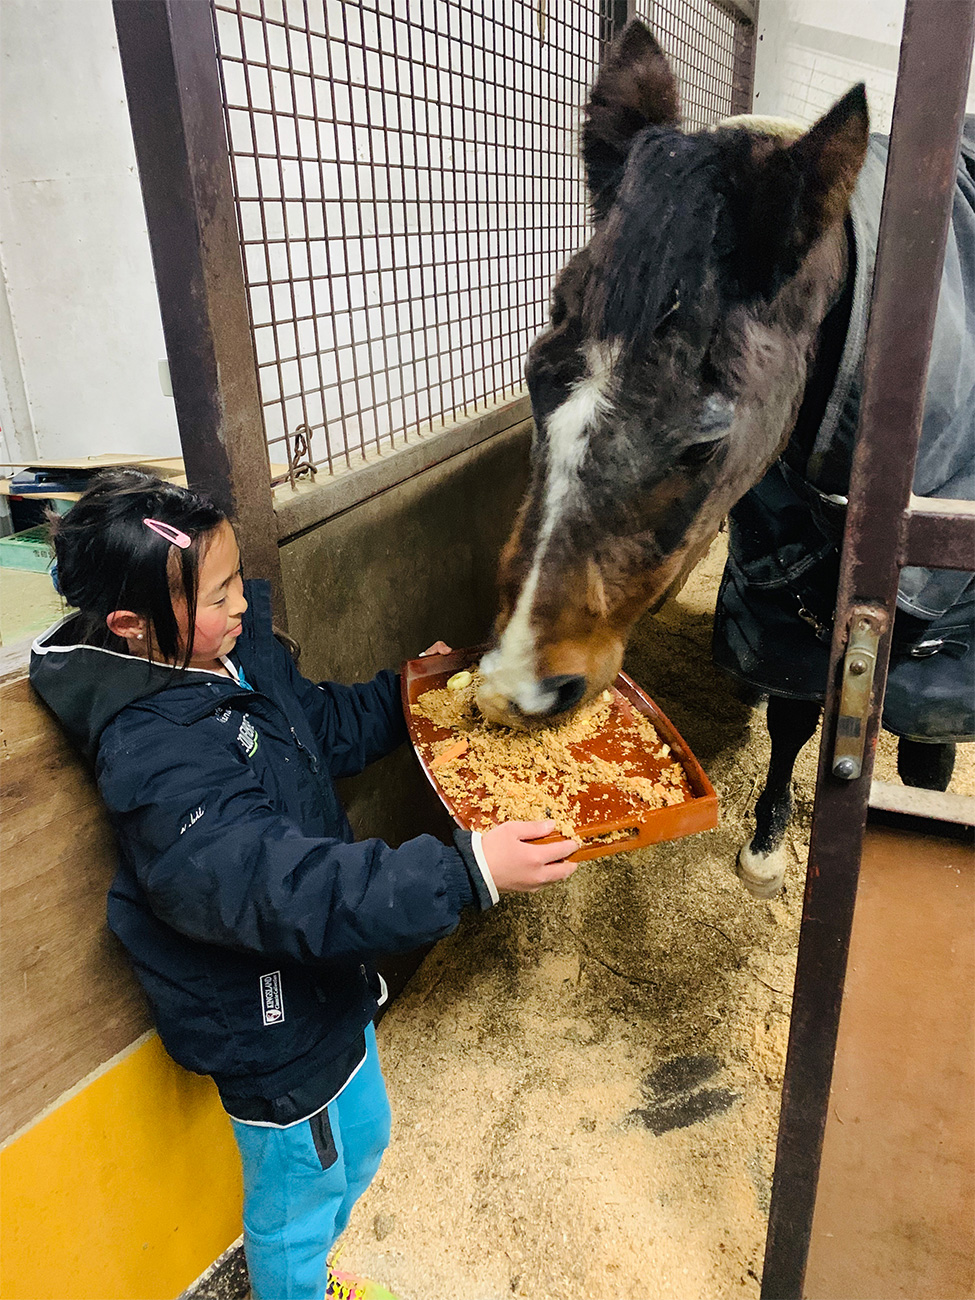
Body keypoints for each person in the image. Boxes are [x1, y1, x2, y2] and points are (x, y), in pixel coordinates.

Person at [30, 469, 579, 1300]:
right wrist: (463, 870)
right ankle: (296, 1287)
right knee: (298, 1197)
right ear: (131, 625)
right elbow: (270, 883)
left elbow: (315, 726)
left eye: (234, 580)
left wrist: (404, 697)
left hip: (321, 978)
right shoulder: (153, 753)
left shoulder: (226, 655)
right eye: (219, 595)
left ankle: (315, 1277)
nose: (242, 606)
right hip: (263, 1012)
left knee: (360, 1142)